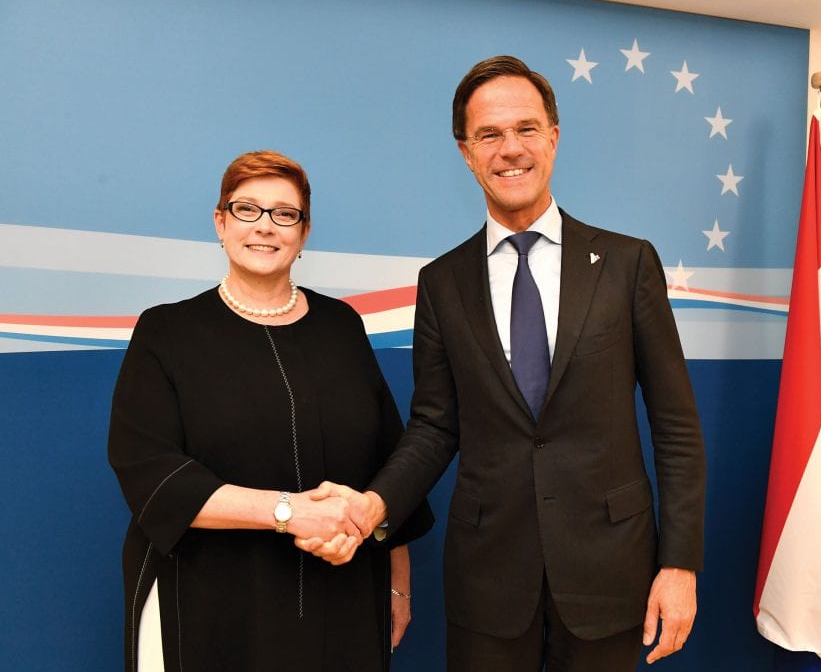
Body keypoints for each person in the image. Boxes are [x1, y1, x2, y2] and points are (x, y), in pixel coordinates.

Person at [308, 56, 707, 671]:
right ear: (466, 152)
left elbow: (676, 426)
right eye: (489, 135)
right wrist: (373, 506)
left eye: (525, 128)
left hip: (610, 570)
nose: (510, 149)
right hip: (489, 578)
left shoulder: (628, 264)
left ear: (553, 136)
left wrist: (679, 564)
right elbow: (436, 427)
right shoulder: (441, 282)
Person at [108, 150, 432, 672]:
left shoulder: (341, 325)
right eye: (247, 209)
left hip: (343, 594)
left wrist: (398, 585)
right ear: (220, 221)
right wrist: (290, 511)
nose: (265, 226)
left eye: (285, 214)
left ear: (303, 233)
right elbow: (152, 476)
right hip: (209, 600)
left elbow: (387, 466)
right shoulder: (166, 332)